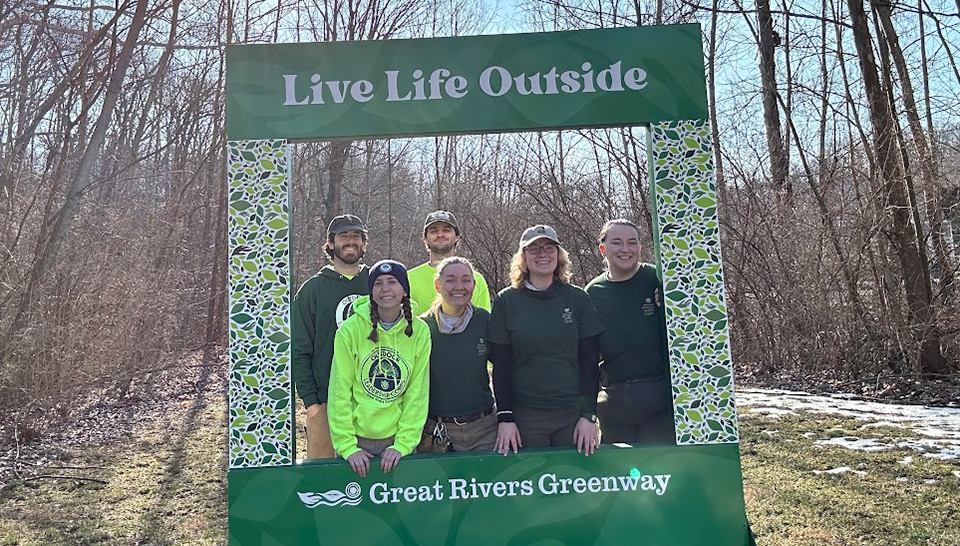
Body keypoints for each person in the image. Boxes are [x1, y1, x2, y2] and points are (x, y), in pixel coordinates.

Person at [489, 225, 603, 456]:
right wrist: (505, 417)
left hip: (573, 416)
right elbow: (501, 365)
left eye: (549, 248)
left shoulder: (578, 298)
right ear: (523, 258)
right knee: (531, 477)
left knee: (575, 476)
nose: (542, 254)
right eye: (534, 249)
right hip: (525, 416)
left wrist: (588, 415)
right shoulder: (506, 301)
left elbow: (590, 361)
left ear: (559, 255)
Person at [327, 260, 431, 477]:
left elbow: (417, 393)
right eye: (378, 283)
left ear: (404, 290)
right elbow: (339, 391)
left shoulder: (420, 331)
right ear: (371, 292)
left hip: (397, 440)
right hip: (357, 441)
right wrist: (347, 446)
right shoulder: (350, 330)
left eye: (392, 282)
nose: (385, 289)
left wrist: (403, 444)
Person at [585, 219, 674, 444]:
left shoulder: (659, 280)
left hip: (660, 399)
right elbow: (587, 356)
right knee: (620, 466)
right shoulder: (592, 292)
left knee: (658, 464)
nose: (625, 249)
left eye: (632, 243)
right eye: (617, 242)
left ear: (640, 248)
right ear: (602, 249)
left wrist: (671, 301)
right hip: (614, 402)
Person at [291, 214, 370, 459]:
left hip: (373, 403)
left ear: (364, 243)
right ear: (331, 243)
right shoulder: (312, 290)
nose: (350, 241)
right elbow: (300, 349)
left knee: (371, 475)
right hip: (326, 401)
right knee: (323, 476)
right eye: (343, 236)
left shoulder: (378, 284)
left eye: (356, 236)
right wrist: (311, 403)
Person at [418, 257, 497, 453]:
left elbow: (505, 368)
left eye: (466, 280)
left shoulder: (484, 320)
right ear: (438, 285)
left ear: (474, 285)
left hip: (485, 429)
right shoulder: (423, 327)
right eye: (451, 280)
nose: (459, 286)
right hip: (438, 432)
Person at [408, 211, 491, 312]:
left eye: (446, 230)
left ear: (457, 238)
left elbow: (484, 319)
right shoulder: (408, 279)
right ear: (425, 239)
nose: (440, 234)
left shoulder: (475, 278)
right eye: (434, 231)